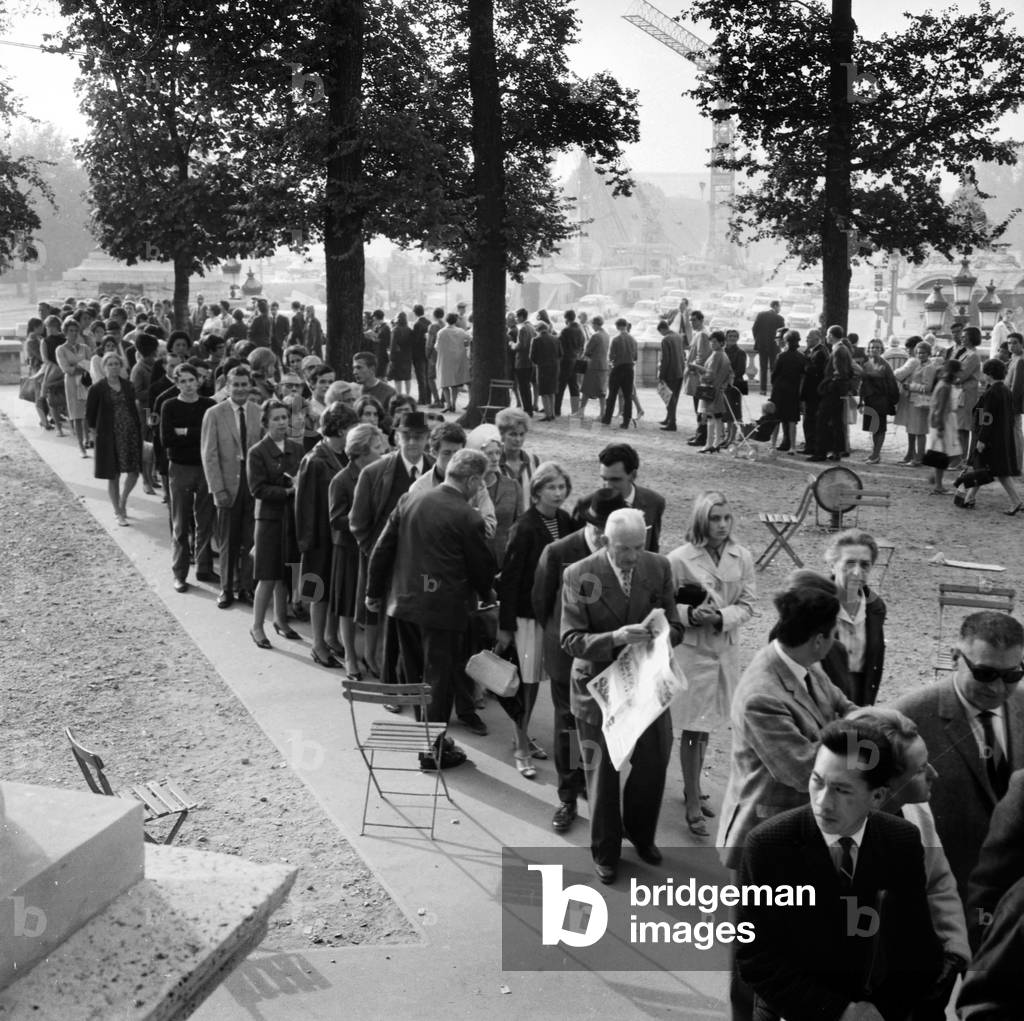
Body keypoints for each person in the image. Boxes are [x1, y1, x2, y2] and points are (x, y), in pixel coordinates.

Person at [735, 718, 944, 1021]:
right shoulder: (768, 846)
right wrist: (839, 1012)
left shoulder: (902, 842)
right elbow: (755, 958)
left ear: (878, 797)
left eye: (841, 790)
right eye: (817, 781)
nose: (823, 802)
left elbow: (918, 948)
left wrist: (879, 1011)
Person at [561, 508, 684, 884]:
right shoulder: (580, 574)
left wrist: (661, 634)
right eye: (623, 549)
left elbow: (676, 625)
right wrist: (615, 639)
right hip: (599, 689)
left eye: (637, 547)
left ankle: (641, 834)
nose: (632, 557)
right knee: (602, 773)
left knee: (654, 761)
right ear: (603, 540)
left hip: (647, 685)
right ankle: (606, 851)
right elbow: (569, 639)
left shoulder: (659, 566)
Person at [366, 449, 497, 771]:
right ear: (472, 480)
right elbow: (481, 568)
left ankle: (429, 736)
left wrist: (372, 592)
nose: (481, 489)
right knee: (439, 680)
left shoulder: (409, 500)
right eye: (481, 483)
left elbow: (382, 548)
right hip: (443, 610)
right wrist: (487, 594)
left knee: (415, 676)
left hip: (403, 605)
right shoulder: (468, 516)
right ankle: (432, 749)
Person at [849, 706, 971, 1020]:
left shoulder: (917, 813)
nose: (934, 773)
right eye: (919, 770)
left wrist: (954, 949)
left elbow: (940, 882)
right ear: (883, 786)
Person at [895, 611, 1024, 909]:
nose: (998, 688)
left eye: (1012, 676)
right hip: (940, 897)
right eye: (984, 673)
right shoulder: (907, 717)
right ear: (955, 657)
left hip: (1009, 897)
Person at [533, 487, 626, 833]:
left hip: (610, 658)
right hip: (567, 658)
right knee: (569, 727)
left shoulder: (624, 549)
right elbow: (541, 604)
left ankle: (594, 784)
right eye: (599, 529)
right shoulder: (558, 552)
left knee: (604, 727)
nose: (605, 536)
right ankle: (568, 795)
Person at [666, 492, 755, 837]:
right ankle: (690, 797)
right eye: (714, 518)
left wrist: (720, 616)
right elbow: (666, 606)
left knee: (706, 727)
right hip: (693, 653)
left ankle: (693, 783)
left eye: (726, 518)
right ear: (701, 520)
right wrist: (690, 614)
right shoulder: (679, 559)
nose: (721, 525)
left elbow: (748, 604)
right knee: (691, 726)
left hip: (723, 650)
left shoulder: (741, 556)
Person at [496, 462, 577, 777]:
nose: (557, 494)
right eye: (551, 488)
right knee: (526, 684)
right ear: (537, 491)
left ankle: (524, 735)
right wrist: (505, 625)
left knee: (542, 681)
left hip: (554, 615)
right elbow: (510, 580)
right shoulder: (525, 526)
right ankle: (520, 743)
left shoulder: (566, 521)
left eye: (561, 487)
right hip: (526, 617)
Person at [349, 410, 435, 681]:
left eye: (418, 437)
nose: (412, 443)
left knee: (420, 625)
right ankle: (391, 686)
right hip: (388, 561)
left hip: (423, 564)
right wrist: (375, 554)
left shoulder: (437, 471)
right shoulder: (375, 472)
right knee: (387, 622)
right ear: (396, 437)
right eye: (406, 436)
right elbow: (358, 522)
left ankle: (415, 680)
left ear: (427, 439)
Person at [295, 402, 358, 668]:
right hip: (319, 537)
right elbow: (304, 505)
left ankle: (331, 637)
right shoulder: (314, 460)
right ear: (341, 429)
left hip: (337, 537)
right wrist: (308, 543)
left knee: (333, 591)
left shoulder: (343, 456)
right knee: (318, 592)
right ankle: (318, 643)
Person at [200, 364, 262, 609]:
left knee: (250, 539)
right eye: (235, 384)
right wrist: (218, 489)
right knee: (228, 540)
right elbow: (209, 454)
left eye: (244, 384)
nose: (240, 389)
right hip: (227, 484)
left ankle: (245, 587)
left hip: (253, 485)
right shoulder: (215, 413)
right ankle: (226, 588)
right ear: (227, 386)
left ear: (250, 386)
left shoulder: (258, 411)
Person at [328, 424, 387, 678]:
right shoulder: (342, 480)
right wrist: (361, 517)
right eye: (376, 448)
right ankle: (351, 657)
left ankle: (372, 655)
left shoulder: (381, 474)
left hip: (374, 549)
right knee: (348, 605)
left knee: (373, 603)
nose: (382, 452)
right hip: (349, 551)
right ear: (361, 451)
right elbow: (335, 518)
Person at [247, 399, 305, 650]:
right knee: (268, 575)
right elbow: (257, 489)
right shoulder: (257, 452)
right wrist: (289, 491)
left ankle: (281, 620)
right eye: (276, 419)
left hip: (290, 518)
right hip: (269, 519)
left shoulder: (296, 448)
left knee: (284, 573)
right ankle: (257, 625)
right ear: (266, 423)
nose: (282, 423)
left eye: (284, 418)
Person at [160, 362, 216, 593]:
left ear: (198, 381)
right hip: (181, 468)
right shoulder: (169, 406)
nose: (188, 385)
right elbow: (167, 440)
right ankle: (180, 573)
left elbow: (210, 437)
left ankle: (204, 567)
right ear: (176, 383)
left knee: (205, 520)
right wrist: (194, 433)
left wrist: (184, 431)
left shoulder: (209, 405)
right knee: (181, 523)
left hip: (205, 467)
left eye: (191, 380)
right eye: (182, 381)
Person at [818, 529, 887, 706]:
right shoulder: (812, 604)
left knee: (853, 734)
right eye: (849, 563)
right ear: (832, 565)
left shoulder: (875, 608)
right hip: (821, 694)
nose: (857, 572)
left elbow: (873, 661)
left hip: (859, 692)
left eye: (865, 565)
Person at [571, 442, 665, 552]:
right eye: (604, 479)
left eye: (615, 479)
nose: (608, 486)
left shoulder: (654, 502)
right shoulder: (585, 505)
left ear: (633, 475)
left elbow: (652, 549)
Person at [85, 351, 142, 526]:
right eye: (110, 364)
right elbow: (90, 416)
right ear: (104, 367)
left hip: (130, 433)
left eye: (117, 363)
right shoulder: (97, 389)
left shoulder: (128, 386)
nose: (114, 367)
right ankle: (118, 511)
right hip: (110, 436)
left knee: (134, 471)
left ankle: (123, 501)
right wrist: (96, 436)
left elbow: (134, 407)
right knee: (113, 474)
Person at [961, 358, 1022, 514]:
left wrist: (981, 439)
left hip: (990, 439)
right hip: (1001, 437)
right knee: (985, 469)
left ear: (989, 374)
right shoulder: (1005, 390)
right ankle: (969, 497)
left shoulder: (991, 392)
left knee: (991, 470)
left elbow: (986, 418)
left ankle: (1015, 501)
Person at [467, 424, 521, 564]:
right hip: (474, 559)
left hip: (504, 560)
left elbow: (519, 524)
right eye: (489, 454)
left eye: (497, 452)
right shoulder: (467, 488)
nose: (495, 458)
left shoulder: (512, 485)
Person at [895, 339, 937, 467]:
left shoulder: (930, 367)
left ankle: (919, 457)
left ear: (929, 353)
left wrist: (911, 386)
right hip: (912, 401)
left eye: (923, 353)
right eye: (918, 353)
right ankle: (911, 454)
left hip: (921, 402)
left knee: (920, 431)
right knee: (911, 429)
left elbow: (927, 387)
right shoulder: (919, 364)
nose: (920, 355)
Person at [859, 338, 900, 464]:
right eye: (872, 347)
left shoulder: (885, 365)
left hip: (881, 400)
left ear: (881, 349)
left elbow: (892, 384)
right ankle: (873, 453)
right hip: (869, 400)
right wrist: (861, 401)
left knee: (880, 428)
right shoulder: (866, 364)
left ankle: (876, 454)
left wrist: (892, 402)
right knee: (873, 428)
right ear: (868, 350)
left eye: (877, 347)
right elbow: (862, 384)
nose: (874, 349)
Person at [55, 316, 92, 457]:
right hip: (71, 383)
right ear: (65, 332)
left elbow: (91, 364)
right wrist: (80, 365)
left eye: (76, 330)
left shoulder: (85, 347)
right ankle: (80, 444)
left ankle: (88, 438)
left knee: (87, 411)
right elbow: (66, 369)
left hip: (85, 381)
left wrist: (79, 366)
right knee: (76, 413)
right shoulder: (61, 349)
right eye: (71, 330)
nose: (74, 333)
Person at [926, 359, 963, 494]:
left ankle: (935, 478)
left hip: (941, 419)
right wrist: (941, 426)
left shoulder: (943, 383)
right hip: (943, 420)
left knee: (944, 452)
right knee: (944, 453)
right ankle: (938, 485)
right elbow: (941, 408)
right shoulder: (946, 386)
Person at [694, 330, 733, 453]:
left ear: (721, 343)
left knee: (710, 417)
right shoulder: (724, 355)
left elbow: (709, 375)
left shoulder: (716, 355)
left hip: (710, 389)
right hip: (718, 390)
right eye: (711, 342)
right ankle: (716, 443)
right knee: (717, 417)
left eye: (714, 342)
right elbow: (730, 374)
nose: (712, 344)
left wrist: (697, 369)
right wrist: (724, 385)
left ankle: (709, 444)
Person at [768, 329, 805, 454]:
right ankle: (793, 447)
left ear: (786, 341)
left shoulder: (781, 356)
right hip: (793, 390)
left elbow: (774, 374)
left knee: (776, 419)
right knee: (791, 421)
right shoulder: (801, 357)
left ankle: (773, 445)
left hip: (779, 390)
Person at [495, 407, 540, 512]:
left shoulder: (533, 460)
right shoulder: (493, 462)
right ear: (502, 436)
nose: (518, 439)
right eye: (513, 434)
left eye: (521, 434)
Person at [953, 326, 984, 458]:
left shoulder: (973, 356)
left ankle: (962, 457)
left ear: (972, 338)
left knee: (963, 427)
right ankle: (960, 457)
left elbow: (962, 375)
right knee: (960, 427)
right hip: (961, 393)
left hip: (966, 394)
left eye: (965, 336)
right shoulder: (966, 353)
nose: (962, 338)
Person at [602, 318, 638, 429]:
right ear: (626, 326)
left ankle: (607, 419)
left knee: (612, 395)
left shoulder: (616, 339)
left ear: (617, 327)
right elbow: (635, 357)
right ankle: (626, 421)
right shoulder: (633, 340)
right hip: (629, 369)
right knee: (628, 396)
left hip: (618, 368)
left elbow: (611, 356)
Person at [684, 311, 712, 445]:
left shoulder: (702, 334)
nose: (692, 322)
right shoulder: (700, 333)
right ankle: (699, 433)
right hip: (698, 374)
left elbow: (702, 356)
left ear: (701, 320)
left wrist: (693, 366)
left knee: (700, 408)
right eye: (691, 320)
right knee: (699, 407)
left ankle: (701, 436)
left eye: (694, 320)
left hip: (698, 376)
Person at [435, 312, 471, 413]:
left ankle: (448, 404)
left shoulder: (441, 332)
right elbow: (468, 341)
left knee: (445, 384)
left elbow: (437, 346)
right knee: (454, 384)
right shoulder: (461, 331)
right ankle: (454, 404)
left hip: (445, 360)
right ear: (456, 321)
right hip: (457, 359)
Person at [801, 329, 828, 455]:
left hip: (814, 392)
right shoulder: (814, 351)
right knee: (808, 420)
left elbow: (813, 371)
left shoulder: (820, 353)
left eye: (809, 338)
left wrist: (805, 361)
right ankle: (809, 445)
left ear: (817, 338)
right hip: (811, 392)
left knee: (811, 420)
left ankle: (812, 446)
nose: (806, 340)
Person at [656, 319, 686, 431]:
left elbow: (665, 359)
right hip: (679, 371)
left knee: (669, 397)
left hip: (670, 372)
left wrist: (661, 375)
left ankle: (672, 422)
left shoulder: (666, 339)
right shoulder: (678, 337)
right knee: (675, 397)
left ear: (662, 329)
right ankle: (669, 418)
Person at [752, 300, 785, 396]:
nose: (780, 309)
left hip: (762, 346)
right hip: (774, 346)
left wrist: (758, 341)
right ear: (775, 306)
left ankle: (763, 390)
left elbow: (754, 329)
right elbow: (781, 334)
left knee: (763, 368)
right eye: (779, 307)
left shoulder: (761, 315)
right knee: (774, 368)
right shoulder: (779, 318)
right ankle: (774, 389)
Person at [555, 309, 584, 417]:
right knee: (574, 386)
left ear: (566, 318)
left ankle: (556, 409)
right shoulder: (580, 330)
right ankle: (575, 411)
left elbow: (558, 344)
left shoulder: (565, 331)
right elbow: (582, 346)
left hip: (565, 361)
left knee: (560, 385)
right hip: (575, 360)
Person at [529, 321, 559, 421]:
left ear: (538, 330)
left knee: (544, 392)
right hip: (554, 368)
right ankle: (553, 413)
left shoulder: (536, 340)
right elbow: (561, 353)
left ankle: (548, 414)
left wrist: (538, 362)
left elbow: (532, 357)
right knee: (552, 391)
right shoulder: (555, 339)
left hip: (542, 368)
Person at [351, 352, 397, 417]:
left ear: (372, 369)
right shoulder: (351, 391)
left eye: (359, 368)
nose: (354, 372)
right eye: (354, 368)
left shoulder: (389, 393)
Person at [1005, 332, 1024, 472]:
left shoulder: (1020, 360)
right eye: (1009, 343)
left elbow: (1016, 387)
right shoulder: (1013, 358)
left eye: (1014, 343)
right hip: (1009, 400)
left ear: (1021, 344)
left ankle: (1017, 465)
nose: (1011, 346)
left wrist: (1009, 403)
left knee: (1015, 433)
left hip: (1013, 403)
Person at [511, 308, 535, 418]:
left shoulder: (523, 329)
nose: (516, 319)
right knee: (526, 387)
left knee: (523, 387)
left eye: (517, 317)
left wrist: (512, 344)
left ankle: (527, 410)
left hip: (522, 361)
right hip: (530, 361)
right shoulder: (531, 328)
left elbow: (521, 345)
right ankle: (528, 408)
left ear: (521, 317)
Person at [387, 311, 413, 395]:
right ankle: (408, 395)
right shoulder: (409, 330)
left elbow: (392, 345)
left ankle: (399, 395)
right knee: (407, 378)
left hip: (398, 357)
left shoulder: (395, 330)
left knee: (397, 379)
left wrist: (391, 358)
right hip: (407, 356)